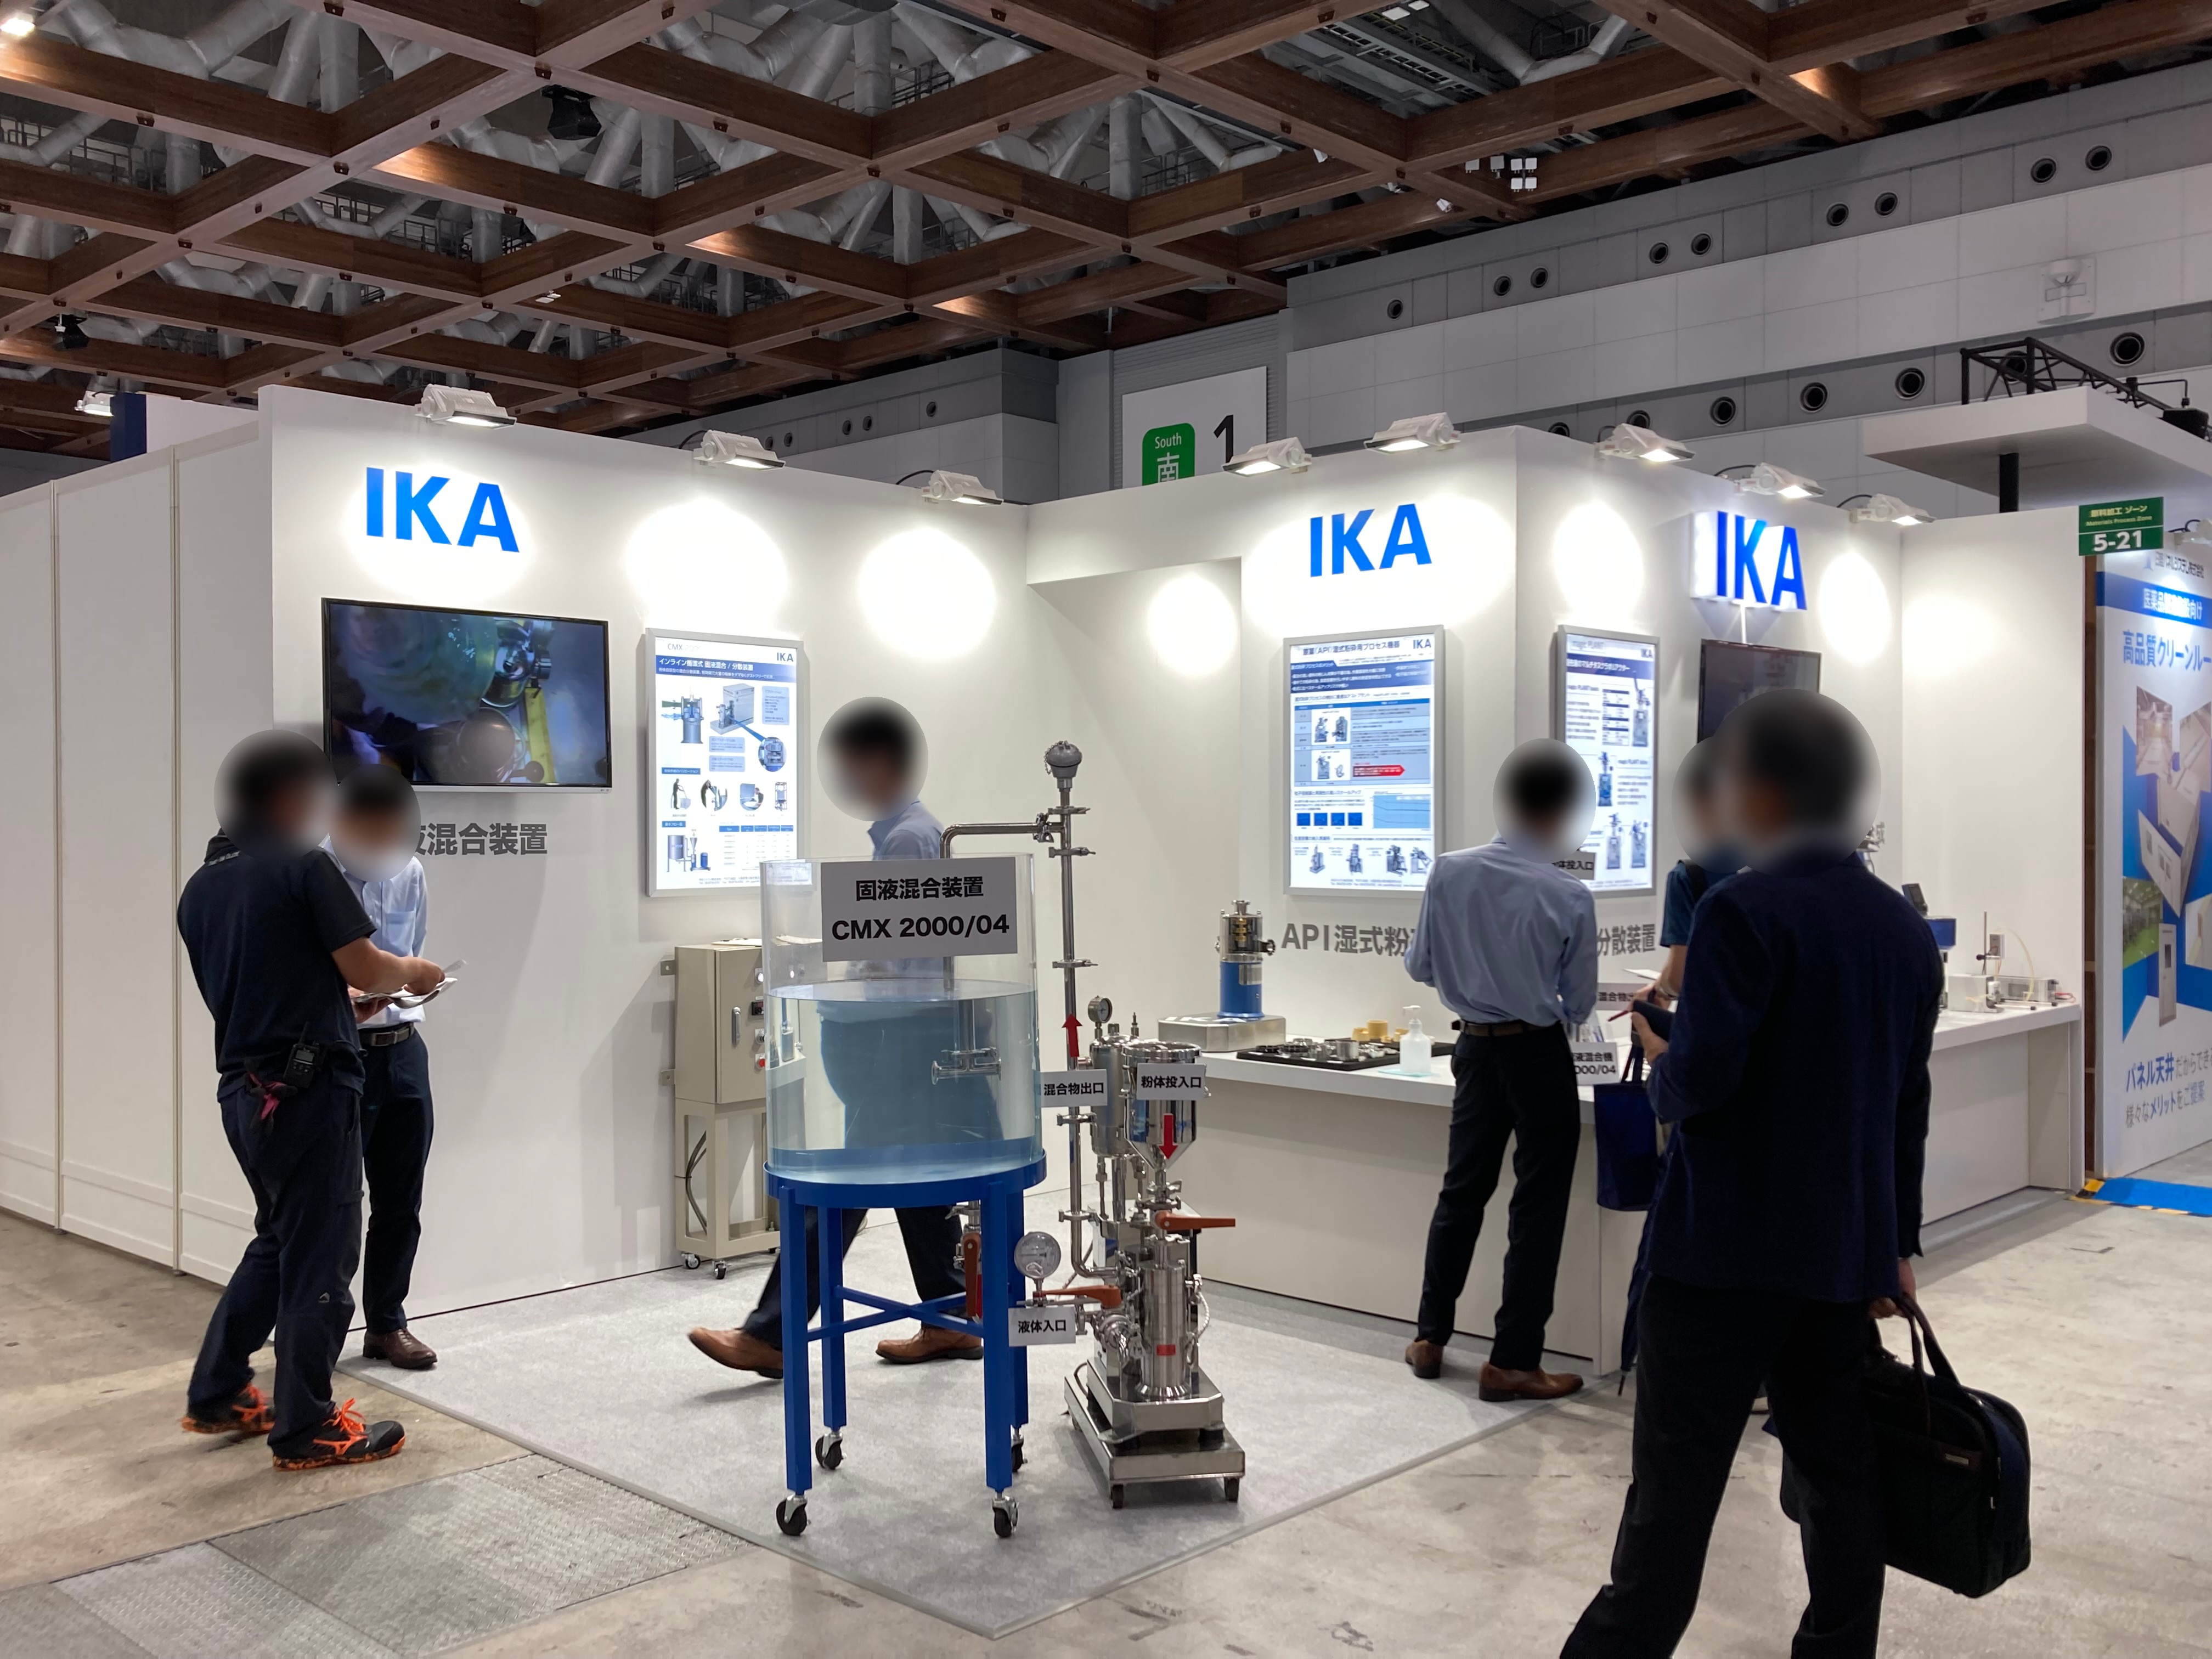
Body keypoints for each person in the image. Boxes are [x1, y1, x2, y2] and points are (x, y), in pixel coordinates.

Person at [1563, 691, 1944, 1659]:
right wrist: (1895, 1246)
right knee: (1837, 1475)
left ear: (1766, 793)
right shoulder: (1900, 926)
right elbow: (1905, 1104)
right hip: (1837, 1258)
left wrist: (1663, 1051)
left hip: (1719, 1255)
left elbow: (1702, 1087)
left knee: (1674, 1495)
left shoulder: (1741, 909)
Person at [177, 731, 443, 1470]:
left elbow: (272, 983)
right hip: (312, 1091)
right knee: (322, 1257)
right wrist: (413, 973)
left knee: (280, 1241)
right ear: (292, 797)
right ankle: (308, 1427)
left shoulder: (202, 887)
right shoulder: (303, 867)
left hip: (246, 1090)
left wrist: (337, 1007)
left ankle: (218, 1392)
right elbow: (369, 966)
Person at [688, 699, 977, 1379]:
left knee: (838, 1186)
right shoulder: (901, 834)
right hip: (902, 1035)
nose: (847, 778)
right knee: (916, 1178)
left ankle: (772, 1333)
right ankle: (951, 1316)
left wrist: (833, 961)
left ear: (883, 764)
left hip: (898, 1039)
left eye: (854, 764)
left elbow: (901, 954)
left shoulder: (908, 839)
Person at [1401, 739, 1598, 1402]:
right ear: (1564, 812)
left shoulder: (1448, 871)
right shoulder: (1569, 894)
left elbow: (1420, 966)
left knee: (1461, 1194)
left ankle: (1430, 1338)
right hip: (1537, 1053)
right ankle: (1512, 1361)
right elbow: (1580, 1002)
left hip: (1475, 1052)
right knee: (1536, 1208)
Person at [326, 765, 442, 1372]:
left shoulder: (410, 871)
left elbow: (410, 954)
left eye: (393, 831)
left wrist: (412, 986)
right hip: (339, 1055)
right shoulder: (314, 872)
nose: (383, 843)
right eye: (371, 831)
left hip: (402, 1048)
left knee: (401, 1198)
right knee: (334, 1204)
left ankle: (387, 1325)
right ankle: (319, 1332)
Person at [1652, 738, 1740, 1004]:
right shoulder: (1792, 873)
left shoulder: (1690, 877)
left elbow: (1679, 980)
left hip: (1720, 1017)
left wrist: (1660, 991)